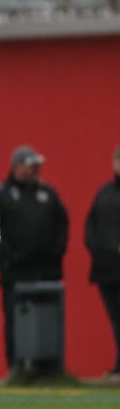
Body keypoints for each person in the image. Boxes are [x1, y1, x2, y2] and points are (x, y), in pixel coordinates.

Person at [0, 145, 68, 379]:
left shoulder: (48, 193)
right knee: (16, 319)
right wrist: (9, 256)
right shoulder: (2, 194)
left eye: (37, 165)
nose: (36, 169)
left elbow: (62, 223)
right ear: (17, 166)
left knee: (48, 317)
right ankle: (18, 367)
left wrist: (56, 252)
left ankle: (49, 368)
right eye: (31, 165)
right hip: (16, 271)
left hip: (47, 271)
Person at [84, 146, 120, 382]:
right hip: (106, 269)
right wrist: (97, 248)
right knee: (115, 317)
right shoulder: (104, 193)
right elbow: (91, 226)